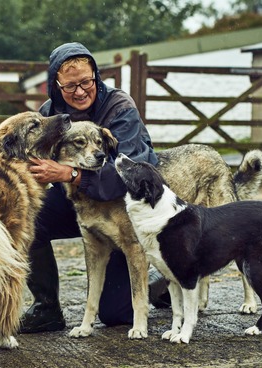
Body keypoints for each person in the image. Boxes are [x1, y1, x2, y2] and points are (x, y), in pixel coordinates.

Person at [20, 42, 169, 333]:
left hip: (121, 203)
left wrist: (69, 172)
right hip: (77, 200)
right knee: (27, 219)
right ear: (56, 84)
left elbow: (132, 175)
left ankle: (161, 284)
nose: (79, 91)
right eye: (70, 85)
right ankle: (46, 307)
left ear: (96, 77)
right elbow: (32, 159)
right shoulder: (49, 112)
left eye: (86, 82)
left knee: (115, 314)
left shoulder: (120, 108)